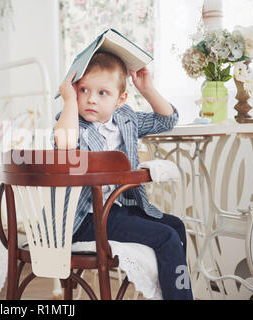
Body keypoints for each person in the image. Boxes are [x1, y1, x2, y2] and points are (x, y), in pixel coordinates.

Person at [53, 52, 193, 300]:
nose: (91, 100)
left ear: (121, 99)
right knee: (166, 236)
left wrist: (147, 88)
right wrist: (69, 102)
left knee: (175, 226)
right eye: (83, 90)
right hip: (84, 219)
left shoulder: (126, 119)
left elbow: (167, 119)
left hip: (117, 208)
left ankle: (175, 292)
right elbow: (65, 142)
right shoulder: (73, 123)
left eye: (102, 93)